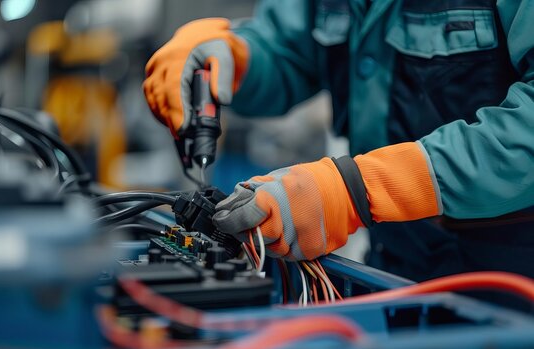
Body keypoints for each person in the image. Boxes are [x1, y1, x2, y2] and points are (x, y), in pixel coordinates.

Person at [143, 0, 534, 283]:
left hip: (513, 280)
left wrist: (362, 188)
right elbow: (290, 48)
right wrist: (239, 57)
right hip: (397, 266)